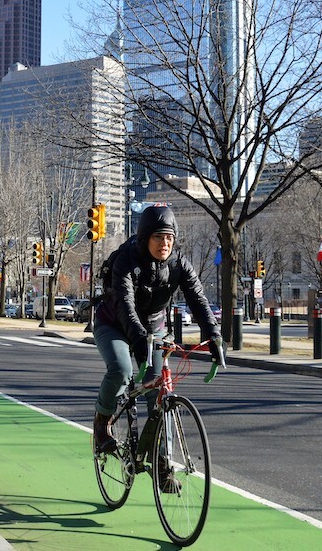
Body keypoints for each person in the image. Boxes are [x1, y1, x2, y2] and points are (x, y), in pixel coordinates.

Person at [91, 205, 223, 491]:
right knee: (122, 369)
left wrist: (214, 337)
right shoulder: (125, 261)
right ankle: (102, 423)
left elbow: (198, 301)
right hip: (113, 323)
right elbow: (125, 306)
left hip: (153, 328)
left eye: (170, 238)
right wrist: (139, 344)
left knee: (160, 391)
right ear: (145, 237)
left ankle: (162, 464)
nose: (165, 244)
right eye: (159, 237)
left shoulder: (179, 264)